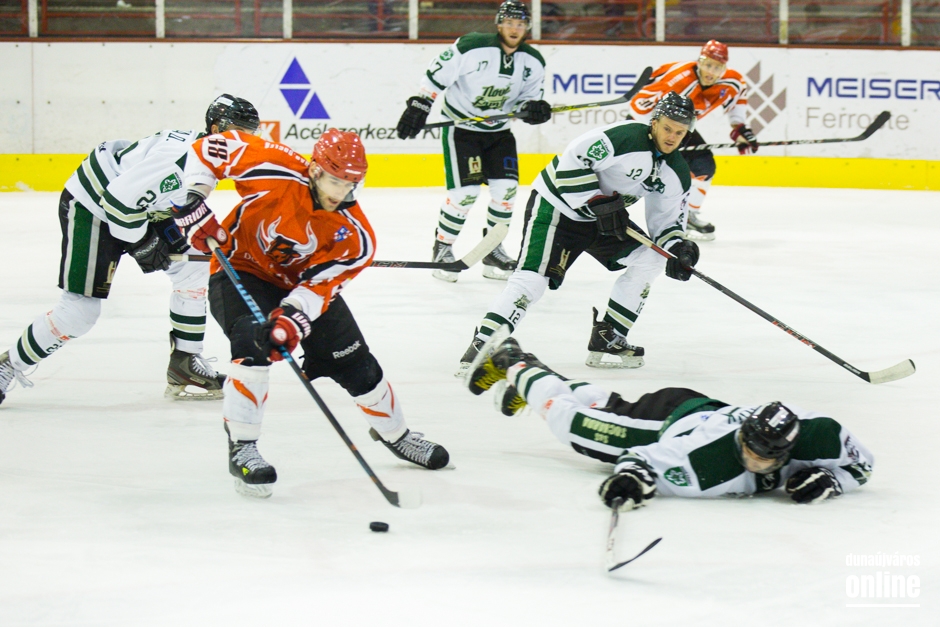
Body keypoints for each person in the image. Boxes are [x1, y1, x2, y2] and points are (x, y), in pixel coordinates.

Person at [173, 126, 450, 498]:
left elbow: (319, 289)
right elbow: (208, 148)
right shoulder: (275, 167)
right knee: (251, 342)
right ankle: (243, 447)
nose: (342, 192)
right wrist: (195, 196)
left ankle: (397, 435)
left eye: (351, 184)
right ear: (316, 169)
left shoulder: (356, 236)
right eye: (336, 181)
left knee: (355, 362)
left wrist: (291, 320)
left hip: (298, 286)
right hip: (241, 268)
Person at [0, 94, 257, 406]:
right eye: (240, 133)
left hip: (135, 207)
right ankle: (8, 366)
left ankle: (185, 362)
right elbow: (117, 203)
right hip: (93, 206)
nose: (246, 143)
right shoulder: (180, 164)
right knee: (79, 313)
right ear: (216, 129)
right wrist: (145, 244)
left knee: (193, 266)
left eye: (251, 135)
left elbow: (159, 201)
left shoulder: (206, 157)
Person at [467, 331, 874, 509]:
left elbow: (863, 464)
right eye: (748, 448)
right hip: (669, 423)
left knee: (608, 407)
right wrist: (633, 479)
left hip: (693, 408)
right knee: (573, 426)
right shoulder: (707, 455)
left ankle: (535, 380)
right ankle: (515, 361)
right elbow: (641, 458)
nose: (751, 460)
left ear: (788, 451)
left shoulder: (822, 436)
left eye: (764, 458)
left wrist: (834, 479)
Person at [456, 92, 701, 375]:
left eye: (679, 132)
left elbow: (666, 222)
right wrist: (596, 201)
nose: (672, 137)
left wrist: (677, 249)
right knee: (533, 279)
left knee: (652, 258)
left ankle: (610, 336)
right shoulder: (627, 137)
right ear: (654, 123)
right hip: (559, 206)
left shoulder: (676, 172)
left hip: (603, 220)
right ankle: (484, 343)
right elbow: (575, 157)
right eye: (667, 128)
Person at [396, 0, 550, 282]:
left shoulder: (533, 61)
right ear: (499, 24)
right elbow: (436, 74)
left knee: (506, 191)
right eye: (509, 22)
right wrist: (420, 104)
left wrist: (533, 109)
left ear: (527, 27)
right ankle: (442, 249)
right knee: (464, 193)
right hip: (462, 130)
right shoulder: (472, 47)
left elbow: (528, 100)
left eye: (520, 24)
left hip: (499, 133)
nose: (514, 29)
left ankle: (493, 251)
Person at [628, 40, 757, 241]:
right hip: (647, 124)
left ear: (724, 68)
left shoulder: (733, 81)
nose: (710, 71)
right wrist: (654, 138)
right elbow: (638, 107)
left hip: (678, 128)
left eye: (717, 67)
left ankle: (687, 216)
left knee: (703, 165)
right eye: (707, 64)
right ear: (699, 61)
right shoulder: (678, 80)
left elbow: (737, 103)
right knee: (635, 174)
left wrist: (740, 130)